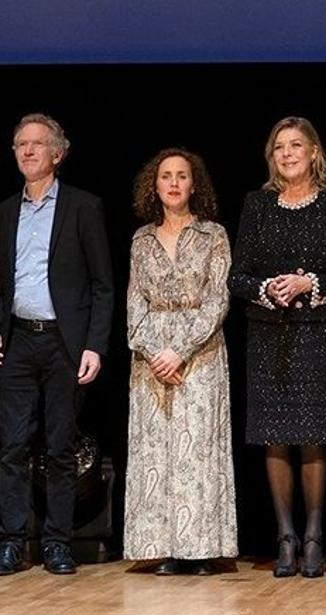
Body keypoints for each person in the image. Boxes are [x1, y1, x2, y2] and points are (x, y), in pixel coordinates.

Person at [228, 117, 326, 578]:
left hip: (318, 334)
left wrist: (309, 282)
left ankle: (314, 535)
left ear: (314, 152)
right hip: (269, 334)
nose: (287, 154)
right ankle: (284, 536)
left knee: (313, 435)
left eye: (296, 145)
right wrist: (269, 288)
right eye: (279, 147)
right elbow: (236, 276)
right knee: (274, 435)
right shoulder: (257, 205)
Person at [0, 113, 114, 575]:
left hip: (64, 343)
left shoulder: (83, 207)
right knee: (10, 446)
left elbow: (102, 284)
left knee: (61, 447)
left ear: (58, 153)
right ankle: (10, 540)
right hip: (18, 342)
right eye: (19, 144)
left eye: (36, 144)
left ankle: (57, 543)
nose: (27, 151)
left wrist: (95, 345)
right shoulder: (6, 211)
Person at [124, 148, 237, 575]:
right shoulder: (141, 239)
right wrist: (153, 352)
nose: (173, 183)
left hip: (199, 353)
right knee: (158, 453)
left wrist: (181, 350)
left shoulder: (213, 236)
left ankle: (203, 548)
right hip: (152, 358)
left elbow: (217, 299)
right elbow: (135, 302)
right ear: (154, 185)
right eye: (166, 176)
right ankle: (166, 546)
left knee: (198, 451)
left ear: (194, 184)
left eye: (182, 176)